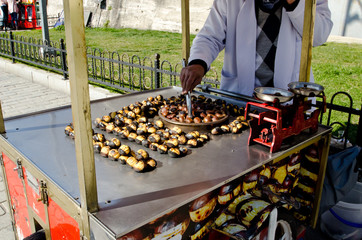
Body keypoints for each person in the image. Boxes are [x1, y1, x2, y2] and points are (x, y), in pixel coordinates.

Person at [180, 0, 333, 96]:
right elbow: (211, 35)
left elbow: (319, 36)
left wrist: (294, 3)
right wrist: (198, 63)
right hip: (241, 97)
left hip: (288, 99)